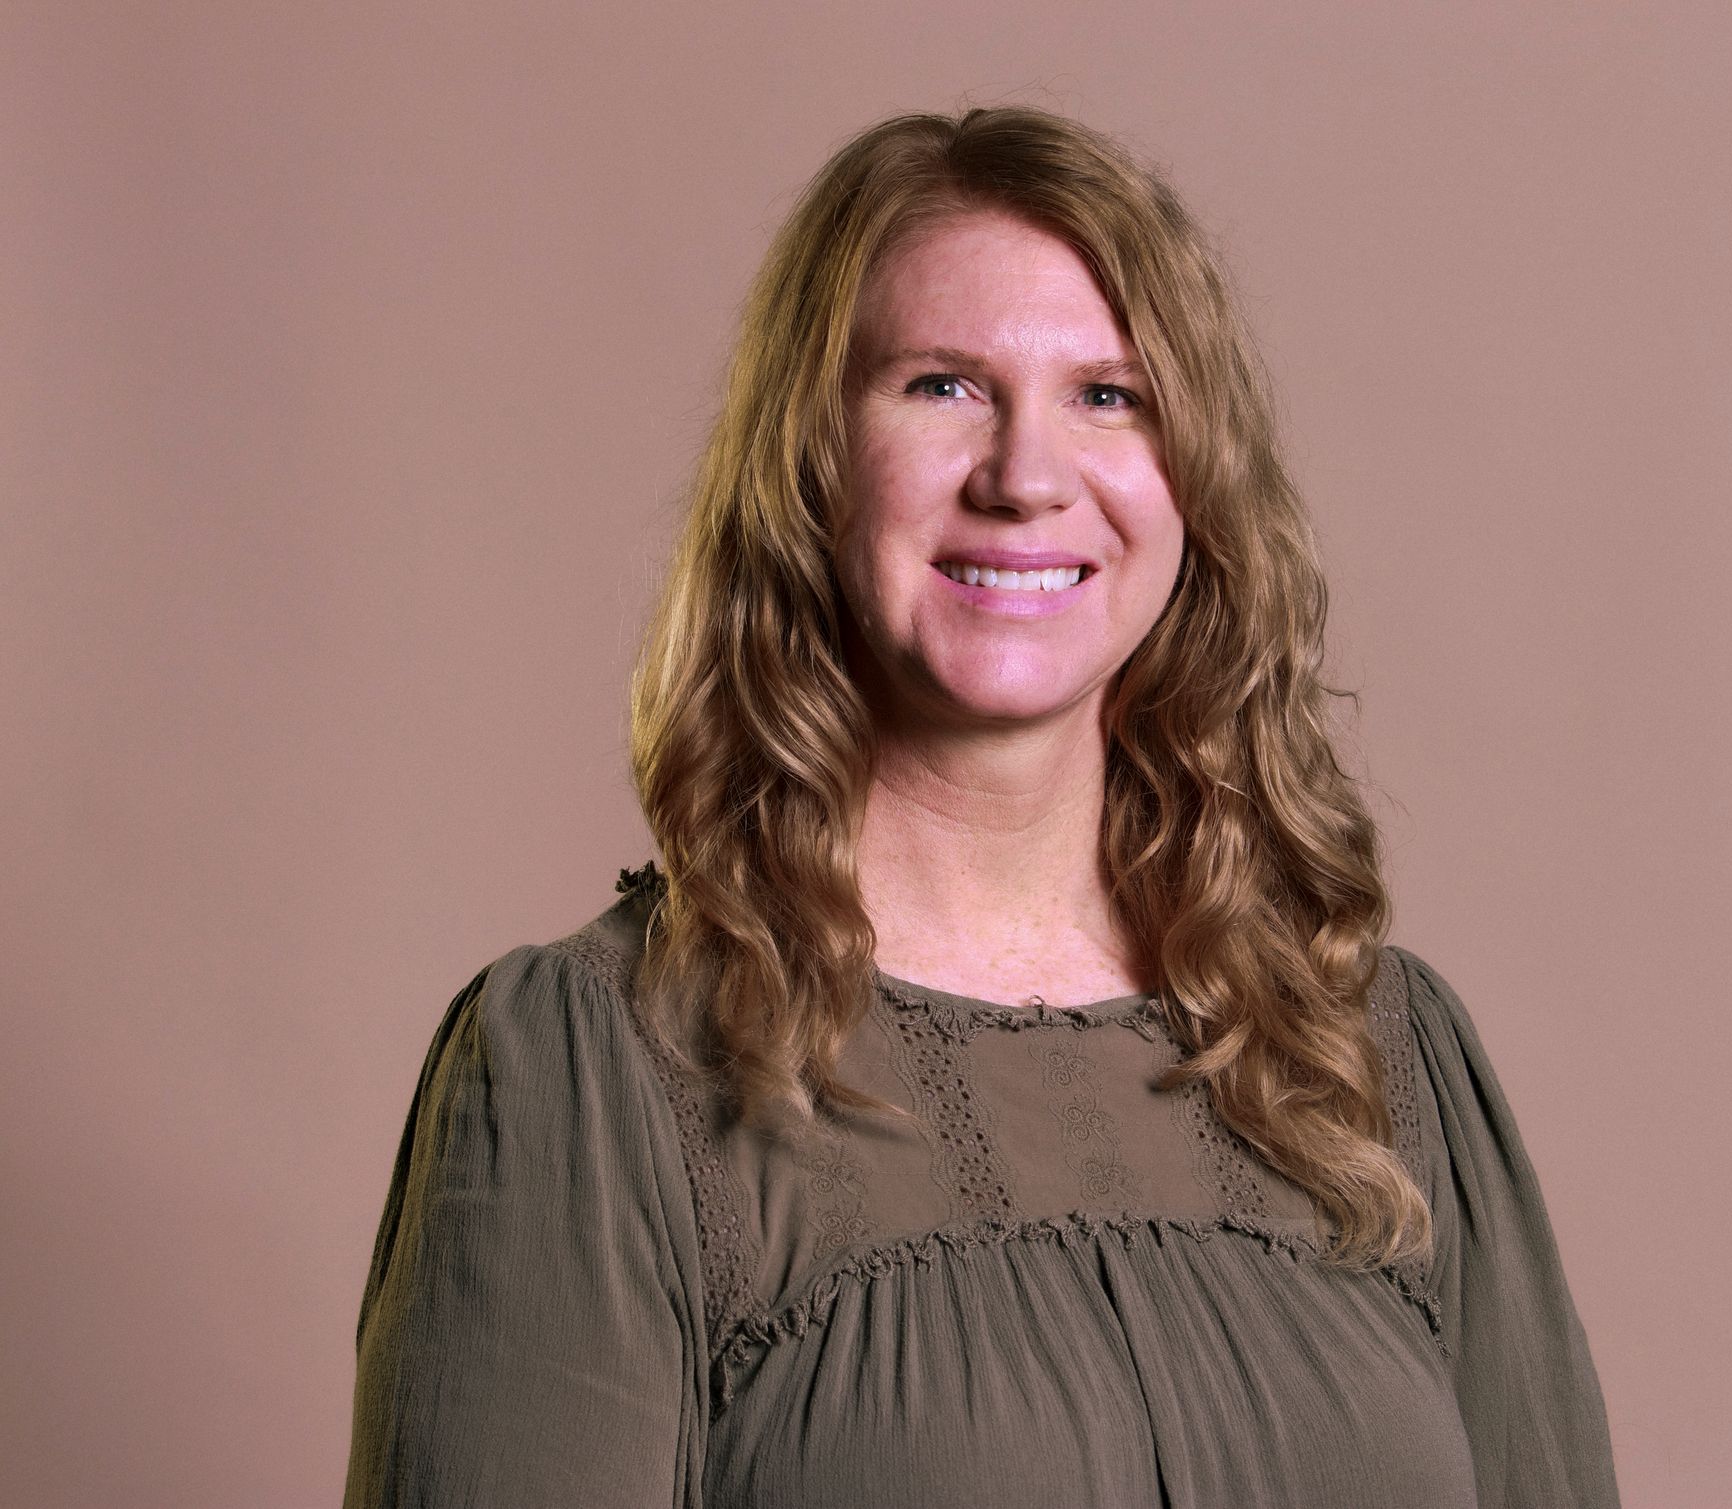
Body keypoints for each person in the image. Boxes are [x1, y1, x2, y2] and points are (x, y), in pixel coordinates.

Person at [344, 105, 1619, 1508]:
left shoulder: (1378, 1052)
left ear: (1194, 484)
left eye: (1110, 396)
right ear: (812, 463)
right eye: (942, 385)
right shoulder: (593, 1080)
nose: (1025, 476)